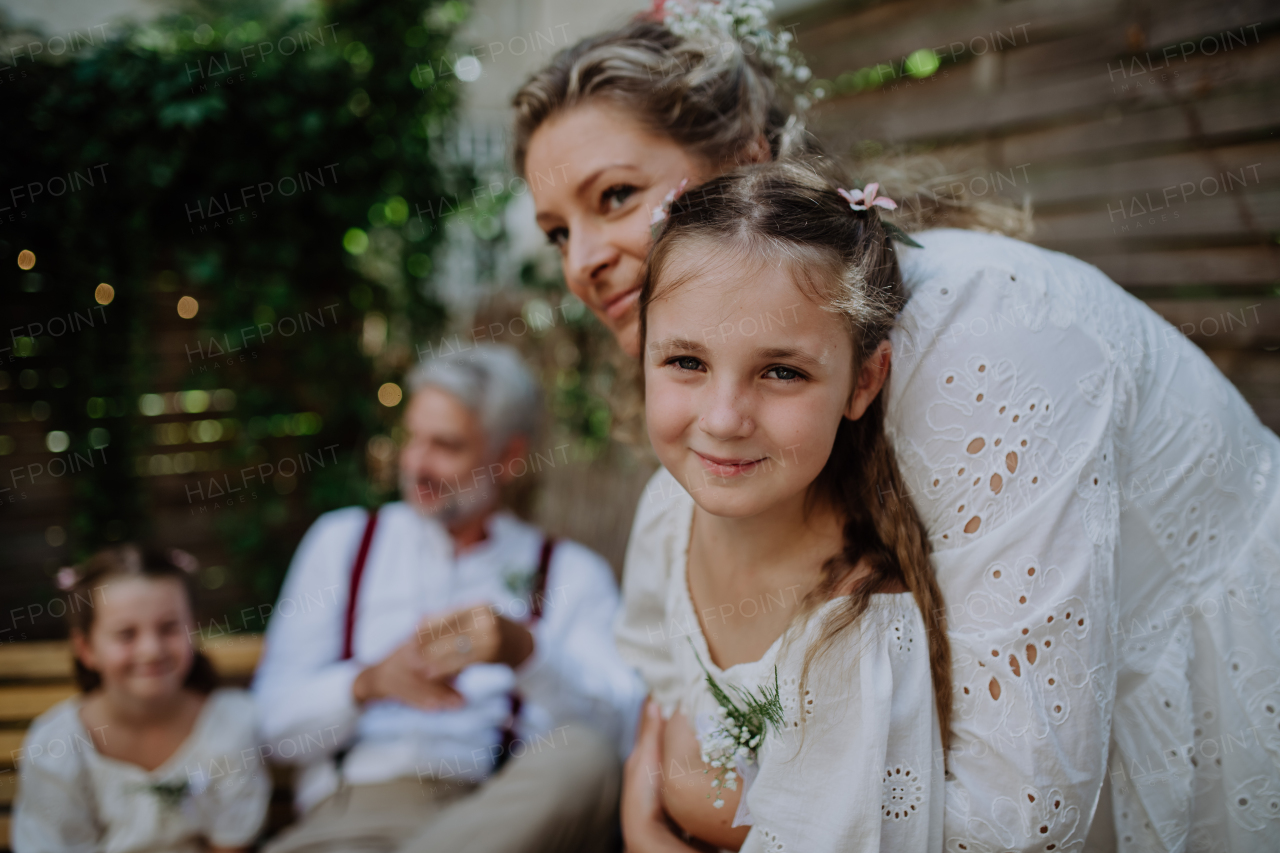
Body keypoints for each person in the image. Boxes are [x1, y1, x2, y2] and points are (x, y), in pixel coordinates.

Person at [512, 7, 1280, 851]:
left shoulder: (986, 331)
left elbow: (1021, 816)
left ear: (746, 160)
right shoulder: (713, 471)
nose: (579, 262)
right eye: (557, 232)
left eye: (613, 196)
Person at [622, 160, 948, 851]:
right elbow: (657, 687)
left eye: (781, 371)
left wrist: (644, 833)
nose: (724, 417)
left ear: (863, 382)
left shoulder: (852, 633)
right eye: (686, 361)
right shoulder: (666, 511)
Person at [252, 343, 645, 853]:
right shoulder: (342, 543)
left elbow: (618, 736)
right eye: (412, 438)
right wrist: (367, 683)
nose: (417, 463)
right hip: (350, 822)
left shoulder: (572, 573)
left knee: (586, 757)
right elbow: (271, 729)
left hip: (499, 820)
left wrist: (527, 653)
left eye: (447, 445)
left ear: (508, 458)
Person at [13, 545, 270, 853]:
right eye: (126, 634)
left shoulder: (231, 724)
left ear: (194, 630)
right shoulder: (56, 746)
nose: (151, 650)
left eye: (169, 628)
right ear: (86, 649)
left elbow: (230, 847)